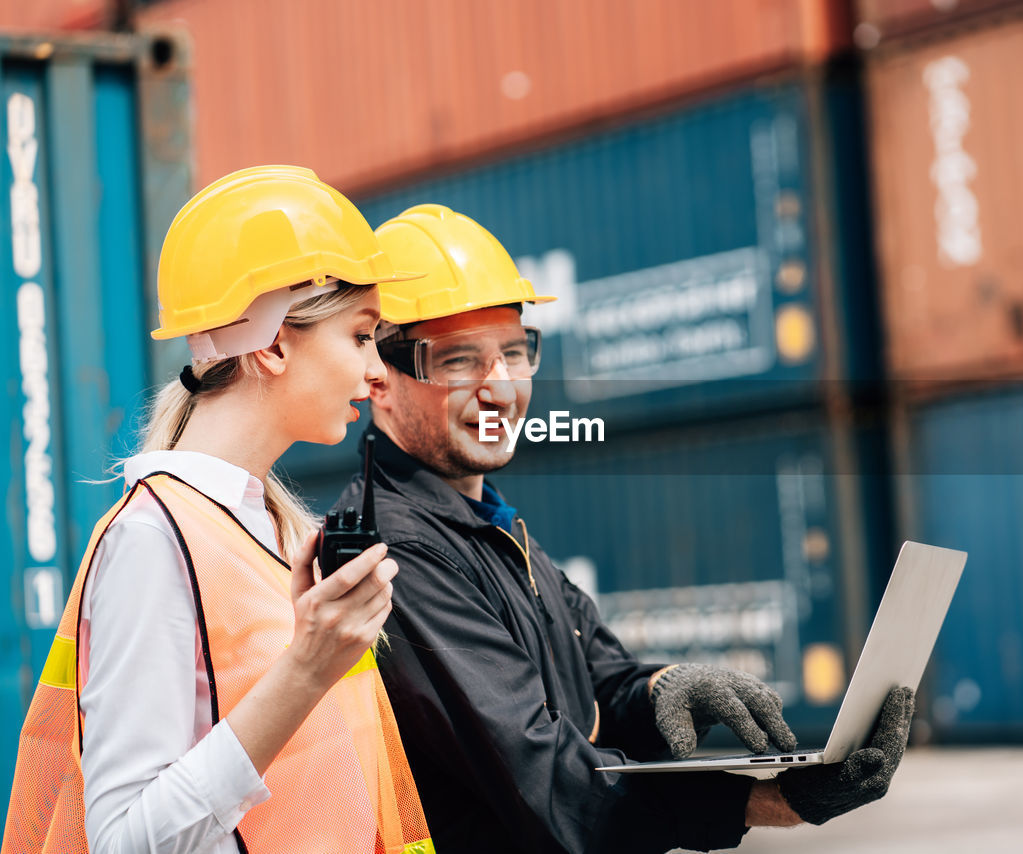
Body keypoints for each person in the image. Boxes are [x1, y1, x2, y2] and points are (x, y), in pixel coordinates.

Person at [331, 203, 915, 853]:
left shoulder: (486, 523)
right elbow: (545, 779)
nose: (500, 388)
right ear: (379, 379)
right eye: (459, 361)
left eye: (516, 353)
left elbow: (598, 684)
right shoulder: (397, 554)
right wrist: (775, 801)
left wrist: (670, 688)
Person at [2, 166, 433, 854]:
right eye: (360, 335)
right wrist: (306, 669)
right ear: (270, 343)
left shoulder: (269, 530)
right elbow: (124, 842)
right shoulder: (152, 540)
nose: (379, 371)